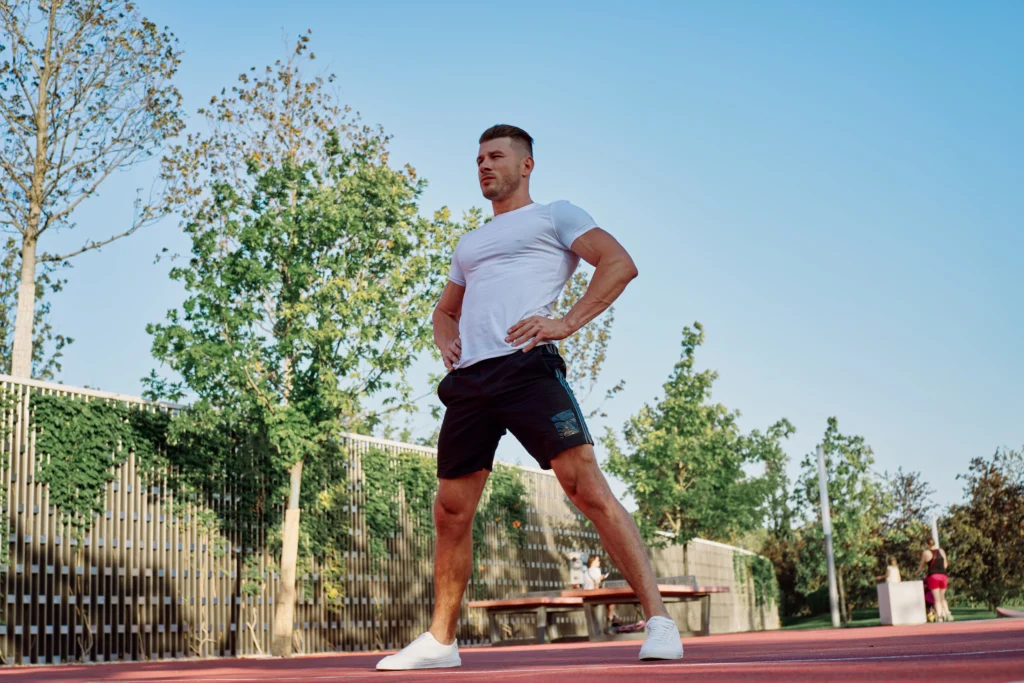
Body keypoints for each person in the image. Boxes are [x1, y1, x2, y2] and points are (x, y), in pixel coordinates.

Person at [376, 125, 683, 670]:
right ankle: (441, 642)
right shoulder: (469, 242)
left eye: (495, 156)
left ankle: (659, 621)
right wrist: (445, 335)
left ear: (527, 165)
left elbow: (619, 264)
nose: (484, 166)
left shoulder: (556, 215)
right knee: (449, 510)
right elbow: (444, 310)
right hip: (471, 382)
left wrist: (566, 321)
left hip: (526, 369)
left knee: (584, 488)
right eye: (477, 159)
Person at [919, 538, 953, 622]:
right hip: (943, 576)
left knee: (937, 599)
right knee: (942, 597)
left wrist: (917, 572)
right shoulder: (941, 551)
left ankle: (940, 616)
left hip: (933, 576)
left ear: (927, 544)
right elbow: (945, 565)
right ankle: (948, 613)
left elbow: (921, 566)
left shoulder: (926, 553)